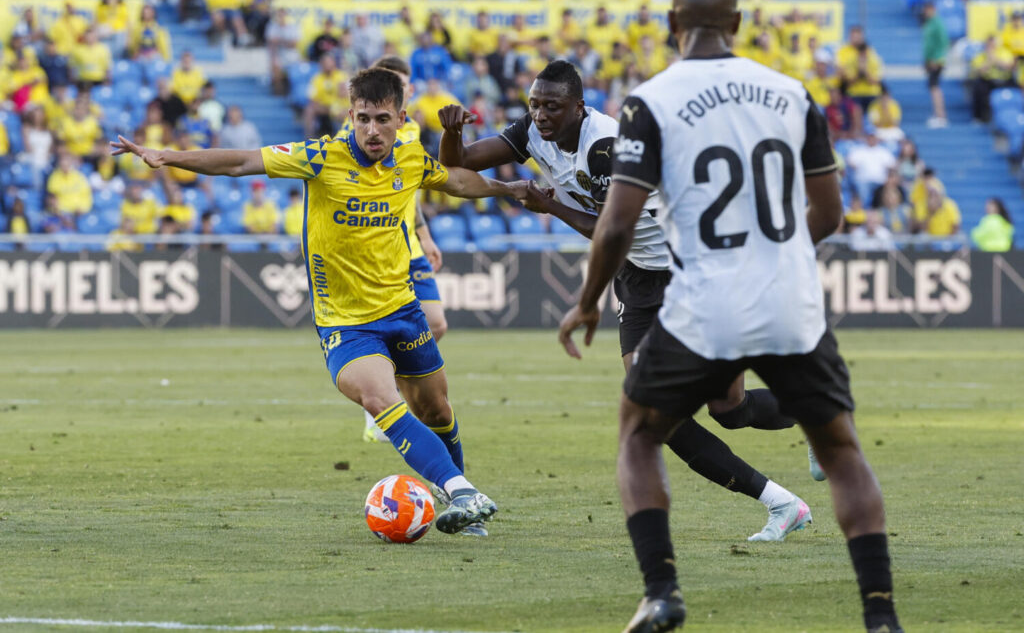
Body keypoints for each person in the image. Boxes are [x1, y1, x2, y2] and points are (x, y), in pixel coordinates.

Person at [557, 0, 902, 633]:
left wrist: (590, 300)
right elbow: (827, 214)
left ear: (671, 26)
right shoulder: (792, 93)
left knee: (638, 434)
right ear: (740, 23)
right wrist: (775, 260)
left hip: (704, 304)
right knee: (842, 452)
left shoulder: (649, 101)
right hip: (790, 302)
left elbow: (619, 222)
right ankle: (881, 615)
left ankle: (661, 591)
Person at [111, 67, 527, 536]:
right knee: (379, 398)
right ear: (351, 115)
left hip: (404, 312)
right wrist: (166, 156)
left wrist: (508, 189)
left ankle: (463, 501)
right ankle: (462, 491)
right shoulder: (319, 156)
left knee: (438, 412)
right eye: (364, 118)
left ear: (401, 119)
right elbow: (241, 162)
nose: (373, 129)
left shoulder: (410, 159)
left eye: (383, 119)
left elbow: (458, 182)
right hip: (345, 324)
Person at [438, 60, 812, 542]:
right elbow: (460, 162)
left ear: (579, 107)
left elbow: (612, 230)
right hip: (639, 279)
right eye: (534, 105)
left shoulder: (608, 147)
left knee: (729, 408)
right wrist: (450, 133)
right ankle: (781, 503)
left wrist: (547, 204)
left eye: (552, 106)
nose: (541, 115)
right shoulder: (533, 131)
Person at [335, 56, 450, 444]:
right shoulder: (355, 132)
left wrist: (425, 233)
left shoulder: (411, 131)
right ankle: (382, 405)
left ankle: (393, 398)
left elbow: (409, 188)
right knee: (392, 329)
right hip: (378, 246)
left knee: (436, 324)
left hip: (411, 241)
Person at [921, 2, 949, 128]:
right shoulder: (930, 23)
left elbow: (942, 42)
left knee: (935, 86)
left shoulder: (937, 23)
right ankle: (938, 114)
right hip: (930, 59)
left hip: (936, 60)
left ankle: (940, 115)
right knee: (933, 86)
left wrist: (936, 58)